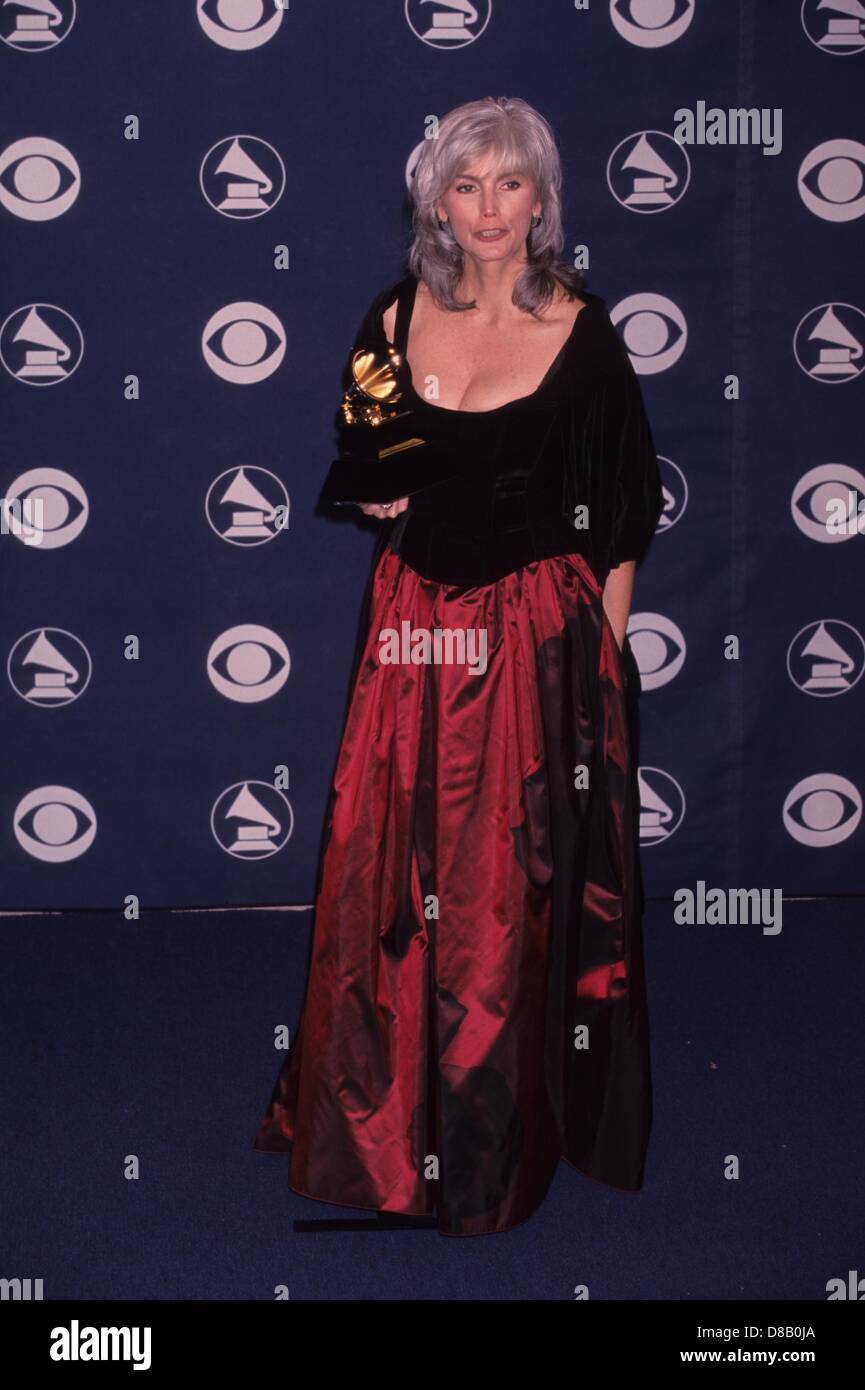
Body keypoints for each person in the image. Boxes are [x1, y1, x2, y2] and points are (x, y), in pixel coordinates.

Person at [253, 96, 665, 1237]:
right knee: (382, 875)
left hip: (529, 646)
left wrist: (607, 659)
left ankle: (485, 1149)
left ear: (543, 201)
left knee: (495, 903)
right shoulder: (392, 317)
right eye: (466, 185)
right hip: (410, 636)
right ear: (436, 200)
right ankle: (378, 1123)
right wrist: (381, 486)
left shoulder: (587, 336)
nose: (488, 209)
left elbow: (623, 513)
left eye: (510, 184)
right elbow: (364, 454)